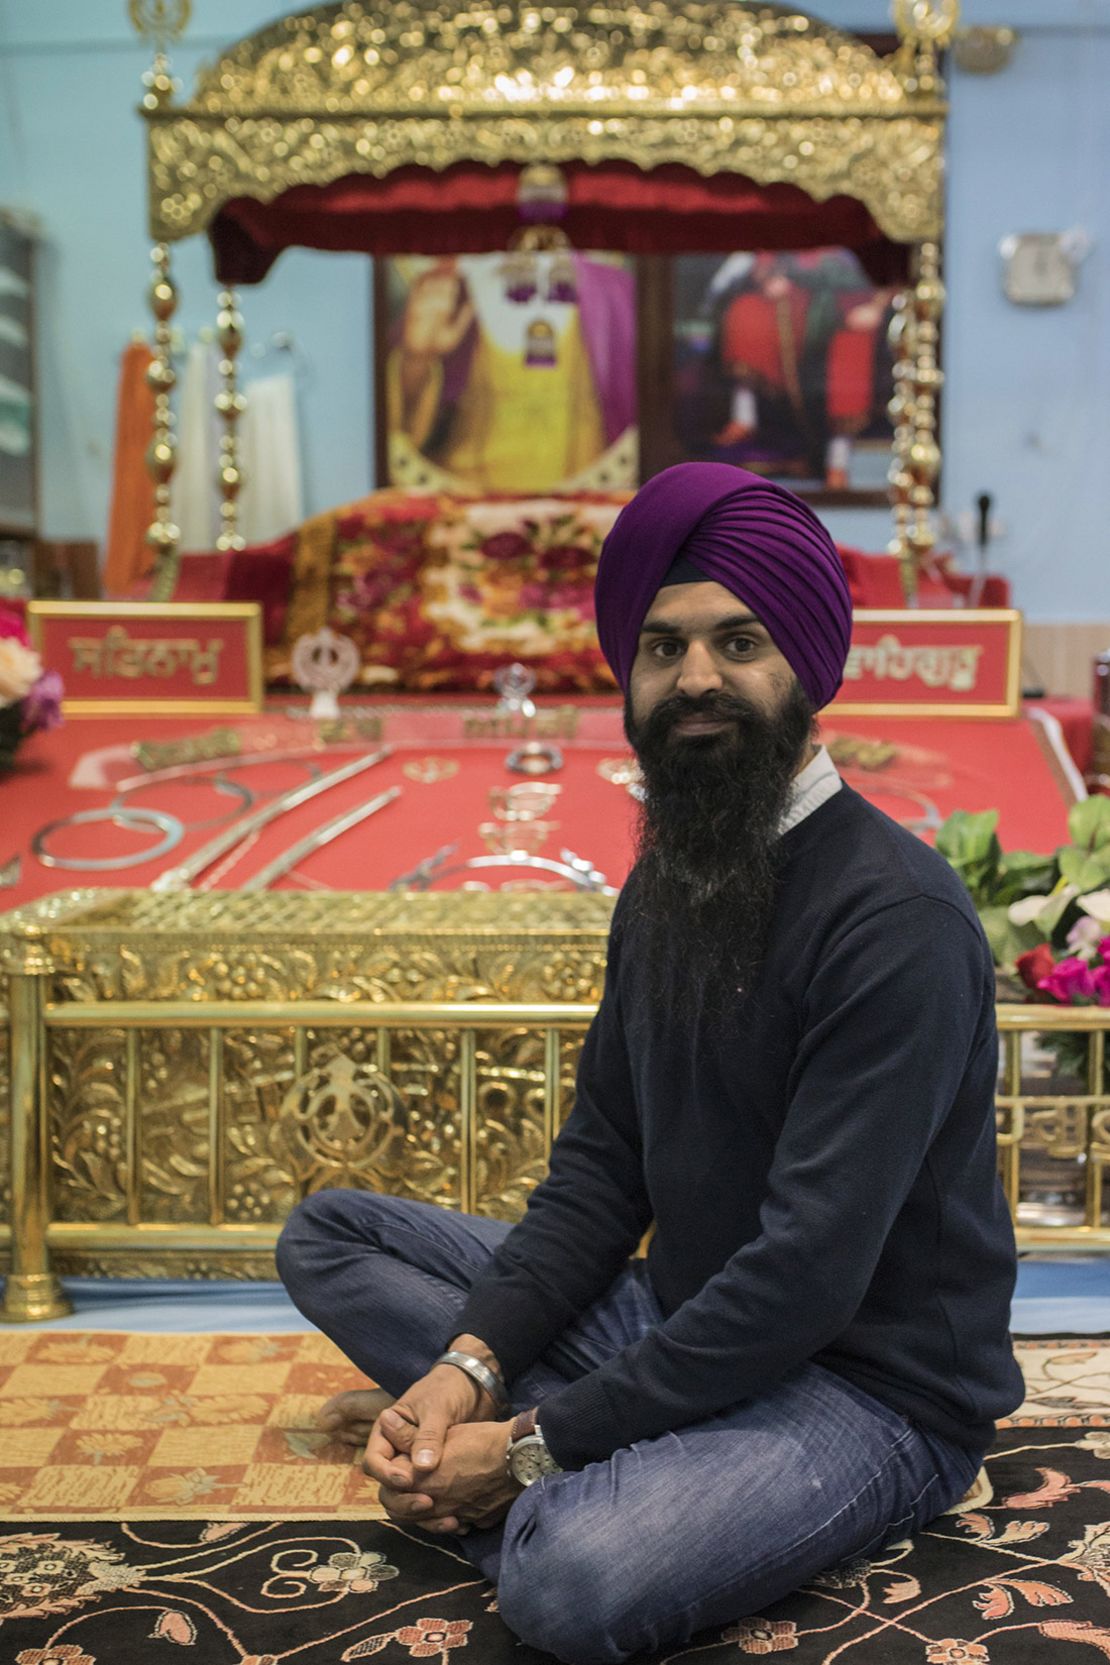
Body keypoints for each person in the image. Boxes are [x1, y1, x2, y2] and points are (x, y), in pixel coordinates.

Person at [276, 462, 1023, 1665]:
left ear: (806, 670)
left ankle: (545, 1493)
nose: (698, 679)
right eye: (665, 647)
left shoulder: (898, 923)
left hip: (865, 1388)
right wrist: (469, 1374)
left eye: (739, 642)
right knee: (328, 1239)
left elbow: (805, 1280)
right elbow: (600, 1170)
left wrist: (528, 1448)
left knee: (570, 1583)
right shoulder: (672, 879)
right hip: (676, 1317)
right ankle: (573, 1464)